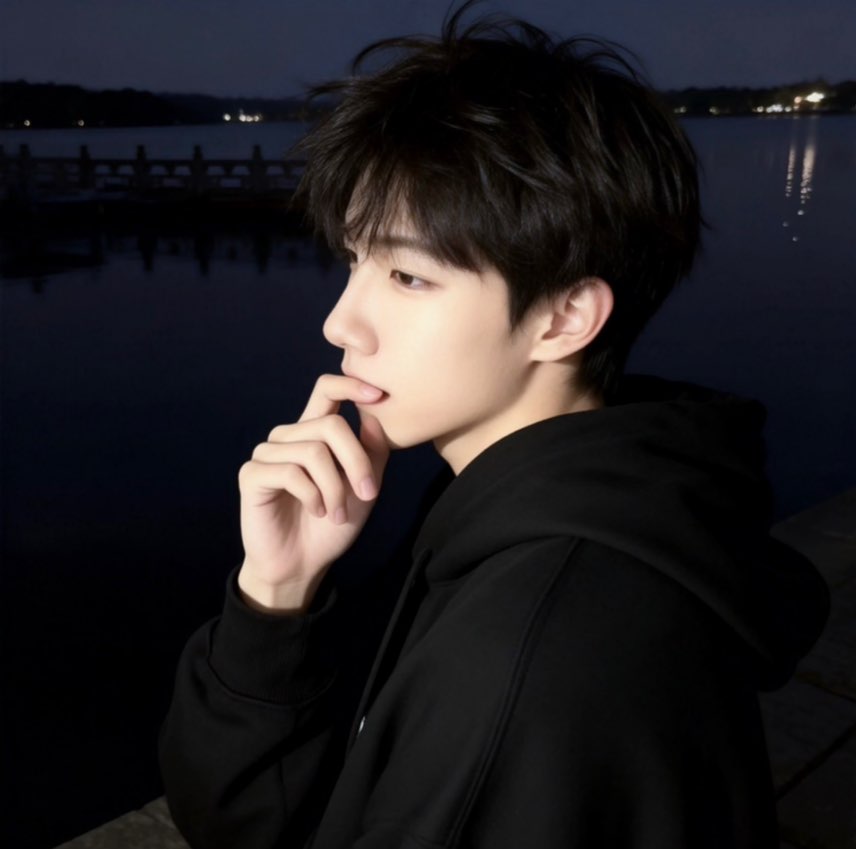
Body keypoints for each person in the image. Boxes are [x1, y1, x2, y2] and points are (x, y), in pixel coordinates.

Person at [158, 5, 830, 848]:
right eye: (356, 260)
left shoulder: (528, 654)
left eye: (408, 276)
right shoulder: (538, 500)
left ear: (563, 317)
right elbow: (258, 819)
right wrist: (277, 595)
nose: (339, 322)